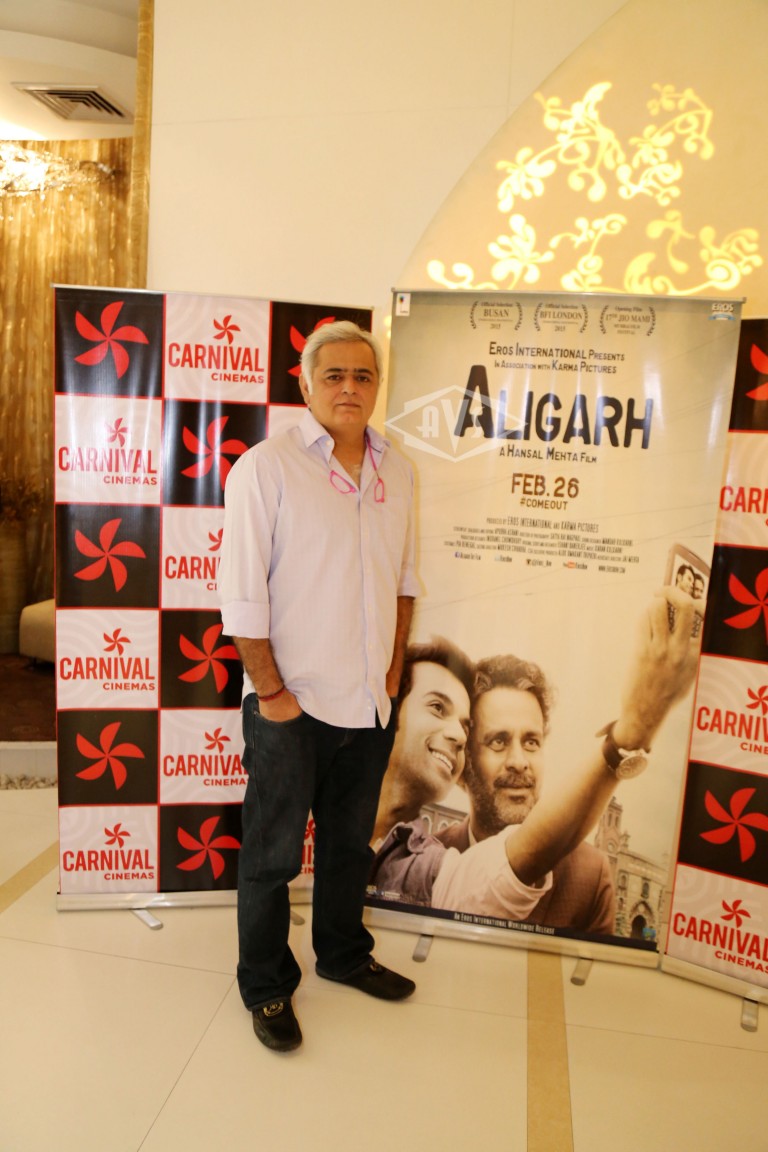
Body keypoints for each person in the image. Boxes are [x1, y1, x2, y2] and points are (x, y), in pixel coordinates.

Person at [219, 320, 420, 1052]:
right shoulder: (266, 468)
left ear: (377, 387)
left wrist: (392, 672)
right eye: (333, 375)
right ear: (305, 386)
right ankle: (266, 983)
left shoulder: (398, 470)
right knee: (272, 856)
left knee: (347, 848)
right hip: (290, 705)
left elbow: (403, 581)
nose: (349, 387)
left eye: (363, 376)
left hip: (368, 703)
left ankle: (342, 955)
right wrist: (272, 694)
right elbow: (242, 596)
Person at [370, 584, 702, 931]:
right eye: (498, 742)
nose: (519, 761)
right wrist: (631, 730)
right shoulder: (426, 858)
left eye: (531, 742)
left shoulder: (590, 876)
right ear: (465, 767)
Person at [372, 637, 474, 844]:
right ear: (390, 710)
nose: (461, 737)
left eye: (465, 728)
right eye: (438, 707)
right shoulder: (314, 798)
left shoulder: (436, 861)